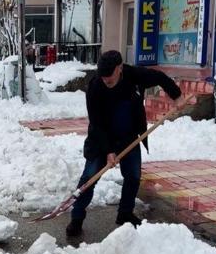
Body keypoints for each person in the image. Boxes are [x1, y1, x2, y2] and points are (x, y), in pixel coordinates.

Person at [66, 50, 185, 237]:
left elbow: (160, 77)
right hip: (101, 139)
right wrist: (108, 151)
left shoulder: (133, 75)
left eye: (110, 77)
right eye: (103, 78)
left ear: (120, 68)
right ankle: (77, 218)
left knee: (133, 176)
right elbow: (96, 124)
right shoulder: (95, 87)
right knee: (89, 178)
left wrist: (176, 95)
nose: (106, 81)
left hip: (129, 137)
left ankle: (125, 214)